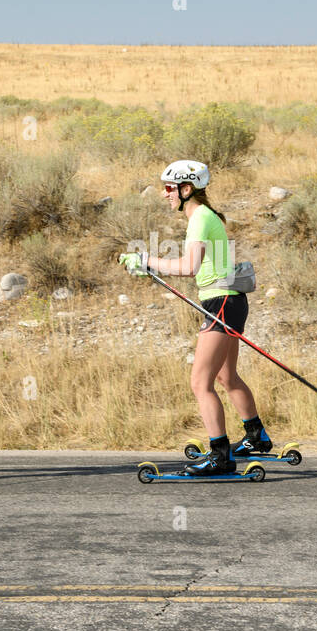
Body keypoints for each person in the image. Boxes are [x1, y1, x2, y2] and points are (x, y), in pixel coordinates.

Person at [118, 160, 272, 475]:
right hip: (228, 301)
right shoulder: (204, 216)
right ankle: (255, 436)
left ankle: (220, 456)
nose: (165, 194)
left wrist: (147, 261)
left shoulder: (200, 217)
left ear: (186, 189)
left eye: (169, 188)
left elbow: (190, 267)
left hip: (222, 303)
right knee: (226, 377)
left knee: (200, 383)